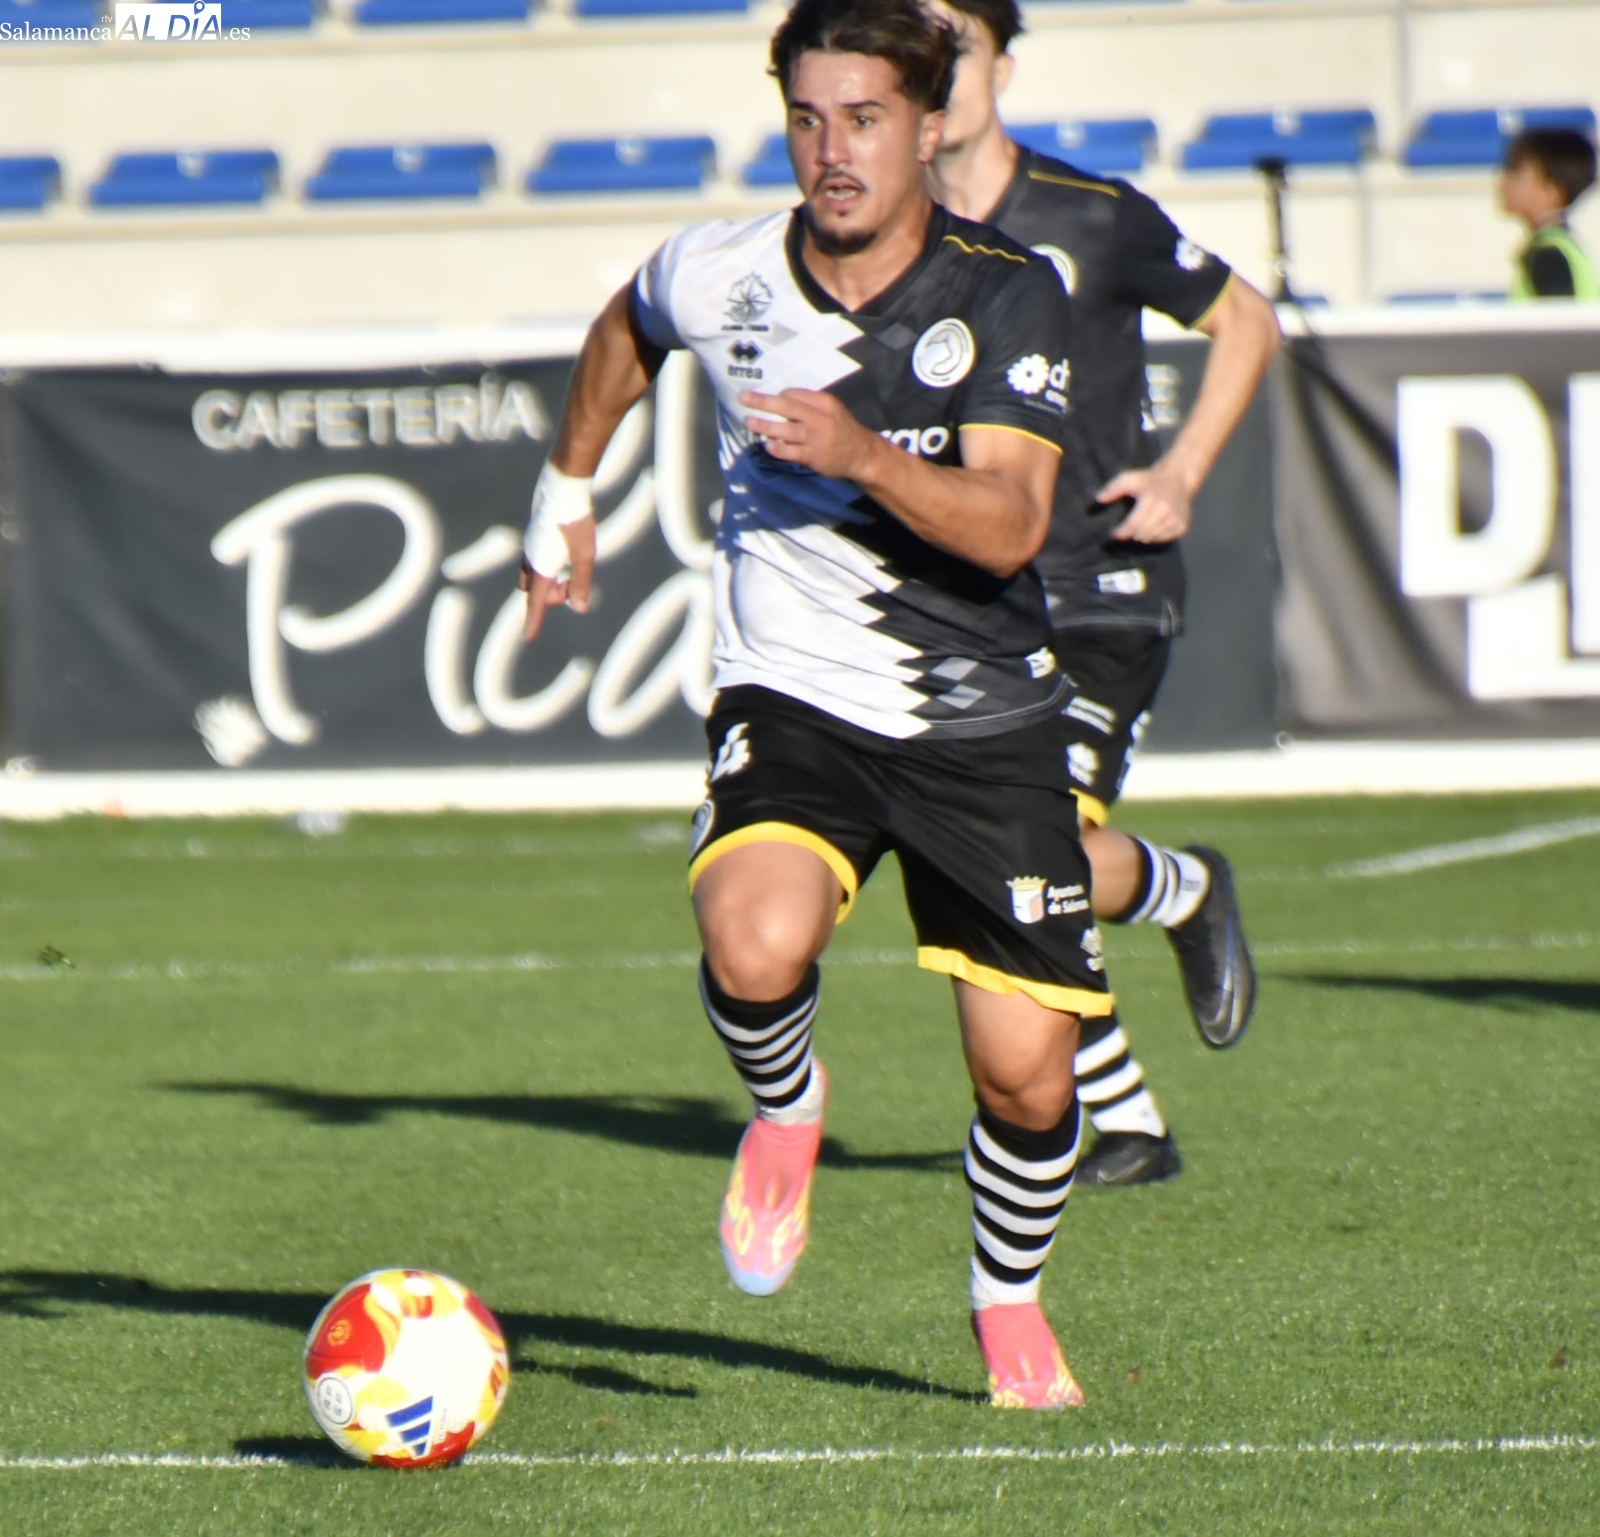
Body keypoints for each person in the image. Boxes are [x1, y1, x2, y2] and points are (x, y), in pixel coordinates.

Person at [519, 0, 1108, 1410]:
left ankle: (1006, 1297)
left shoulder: (1006, 291)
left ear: (927, 126)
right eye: (806, 118)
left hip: (978, 713)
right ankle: (786, 1108)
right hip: (793, 692)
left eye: (864, 119)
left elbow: (1011, 526)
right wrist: (563, 489)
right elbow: (626, 327)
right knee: (752, 936)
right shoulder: (720, 270)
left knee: (1028, 1079)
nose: (832, 151)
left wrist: (865, 458)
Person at [927, 0, 1282, 1187]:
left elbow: (1247, 320)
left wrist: (1180, 472)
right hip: (974, 597)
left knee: (1042, 846)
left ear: (1002, 66)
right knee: (990, 866)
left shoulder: (1091, 214)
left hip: (1098, 584)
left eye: (958, 47)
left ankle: (1184, 889)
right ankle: (1128, 1121)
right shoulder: (894, 235)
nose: (939, 71)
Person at [1500, 127, 1598, 301]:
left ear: (1552, 190)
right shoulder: (1559, 246)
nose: (1503, 180)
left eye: (1516, 171)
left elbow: (1561, 317)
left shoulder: (1549, 256)